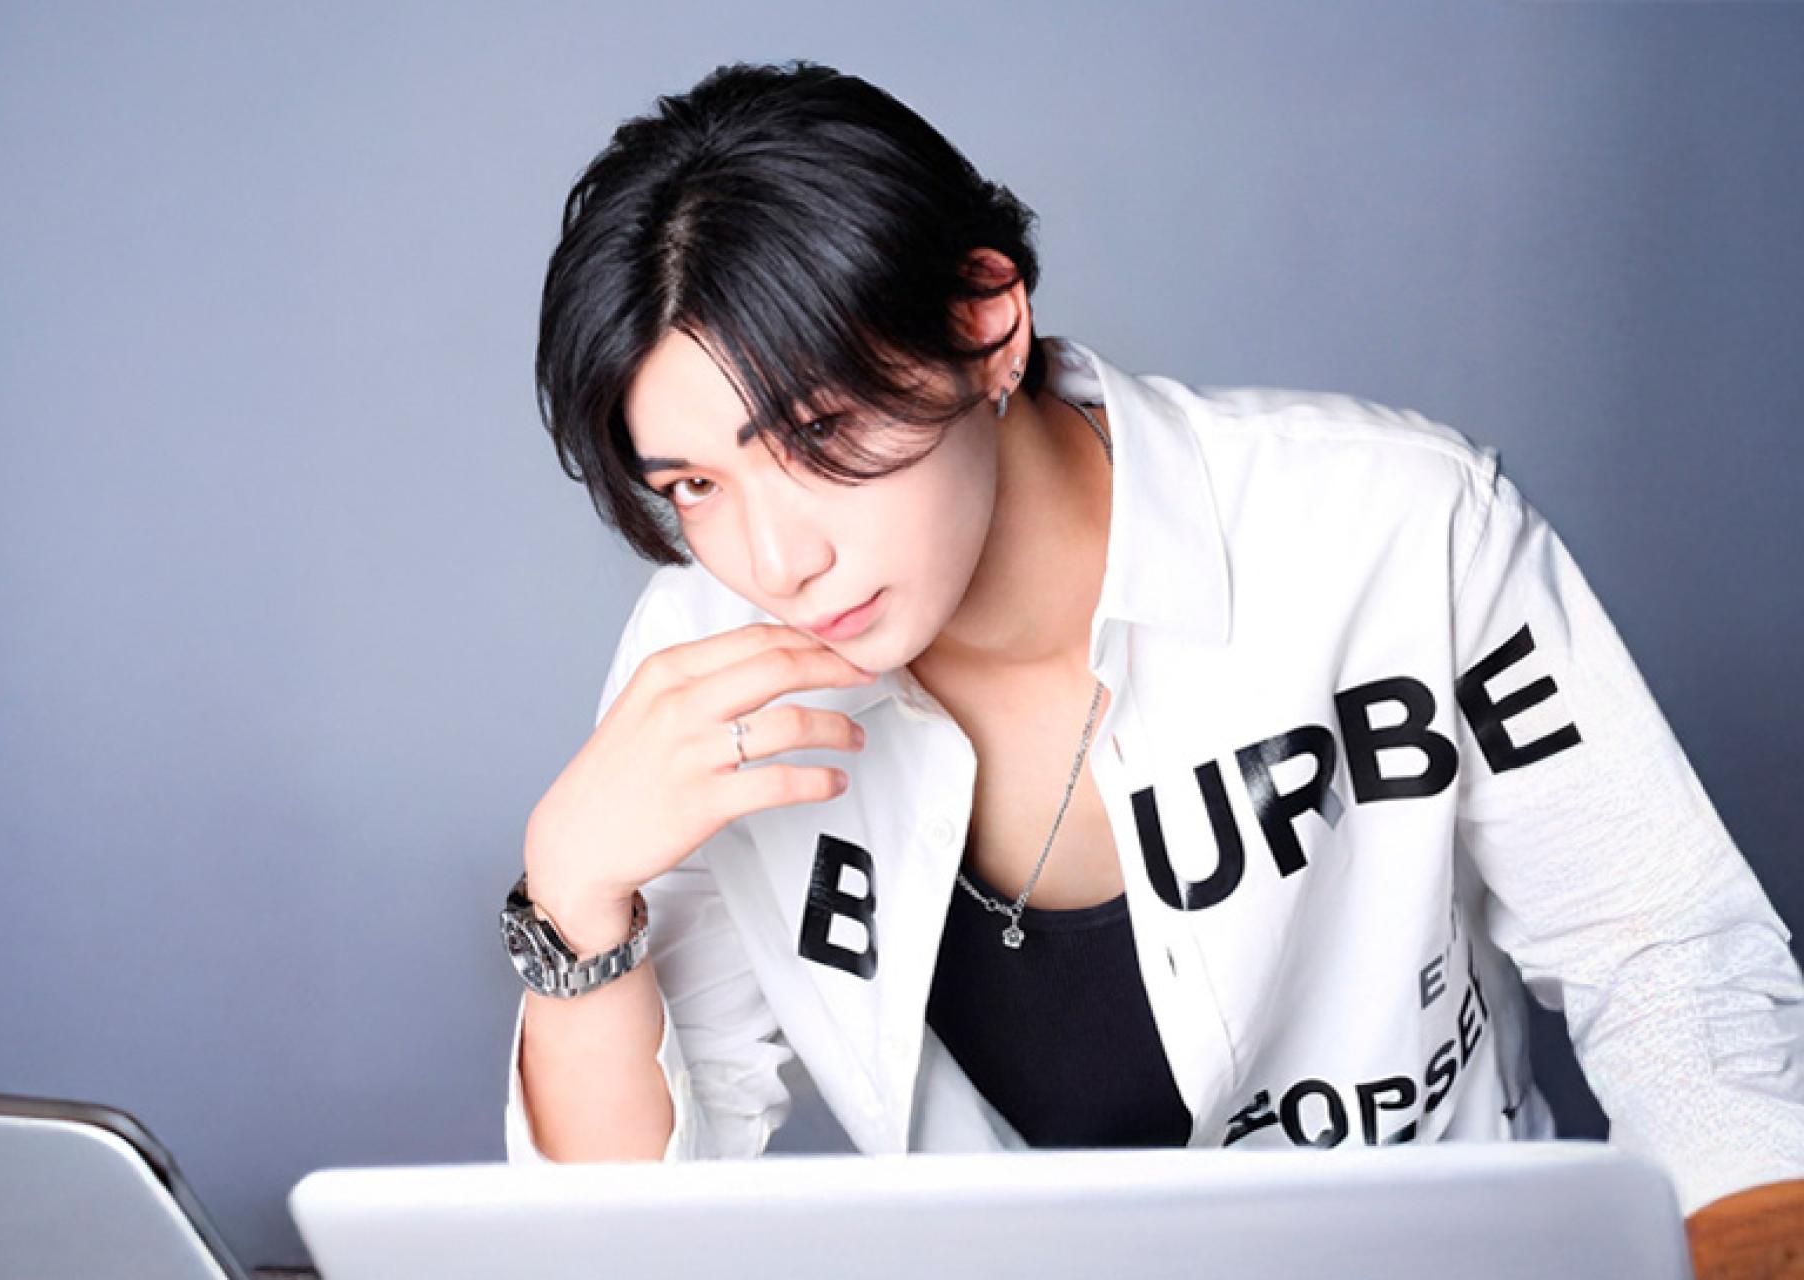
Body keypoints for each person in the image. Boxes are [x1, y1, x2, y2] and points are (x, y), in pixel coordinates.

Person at [501, 56, 1804, 1239]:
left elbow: (1666, 961)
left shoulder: (1398, 527)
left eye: (817, 433)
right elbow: (631, 1234)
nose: (776, 559)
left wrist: (1751, 1244)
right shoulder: (705, 667)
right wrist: (571, 902)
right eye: (695, 487)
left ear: (986, 322)